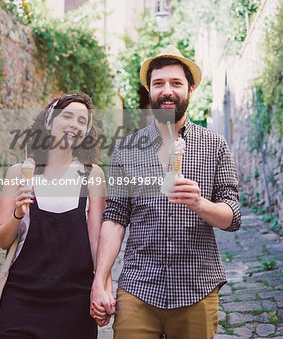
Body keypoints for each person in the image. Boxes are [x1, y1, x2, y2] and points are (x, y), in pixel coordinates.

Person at [90, 45, 241, 339]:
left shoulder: (215, 145)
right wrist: (100, 279)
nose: (167, 91)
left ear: (190, 88)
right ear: (149, 90)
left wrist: (199, 204)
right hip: (138, 286)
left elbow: (232, 217)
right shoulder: (126, 148)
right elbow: (115, 216)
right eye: (158, 83)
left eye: (175, 83)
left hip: (197, 287)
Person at [0, 93, 106, 339]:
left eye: (81, 121)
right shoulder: (20, 172)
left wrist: (102, 287)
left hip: (74, 302)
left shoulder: (91, 176)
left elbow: (97, 242)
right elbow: (2, 240)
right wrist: (17, 213)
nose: (74, 125)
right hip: (21, 299)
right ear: (48, 122)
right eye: (67, 116)